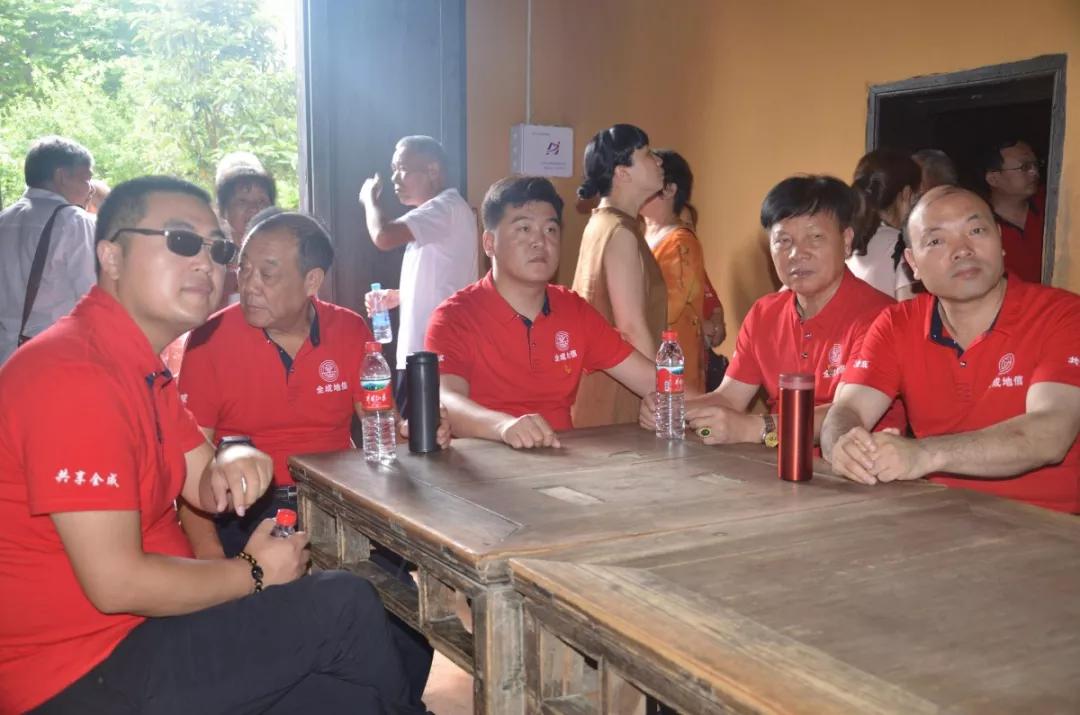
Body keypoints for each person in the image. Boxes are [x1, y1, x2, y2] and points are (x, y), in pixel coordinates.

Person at [0, 176, 428, 714]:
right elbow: (116, 584)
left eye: (217, 249)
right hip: (79, 670)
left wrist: (235, 453)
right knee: (344, 604)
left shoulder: (139, 367)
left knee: (351, 694)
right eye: (182, 241)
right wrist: (252, 573)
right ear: (111, 256)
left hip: (149, 633)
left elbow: (203, 480)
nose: (209, 263)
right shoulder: (74, 374)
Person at [175, 207, 444, 705]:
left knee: (409, 624)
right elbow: (190, 469)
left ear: (312, 281)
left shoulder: (349, 330)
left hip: (339, 501)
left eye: (268, 273)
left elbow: (380, 422)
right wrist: (212, 565)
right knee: (290, 635)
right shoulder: (210, 340)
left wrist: (419, 432)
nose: (248, 285)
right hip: (248, 510)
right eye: (243, 269)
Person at [822, 186, 1080, 513]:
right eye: (936, 241)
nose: (962, 250)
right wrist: (845, 446)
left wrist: (924, 454)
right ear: (912, 263)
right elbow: (847, 409)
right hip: (938, 515)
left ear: (1000, 241)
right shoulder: (896, 324)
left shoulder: (1062, 315)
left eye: (976, 231)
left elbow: (1051, 433)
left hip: (1051, 524)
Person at [659, 175, 904, 447]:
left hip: (859, 466)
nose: (797, 253)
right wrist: (671, 410)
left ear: (846, 241)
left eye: (815, 238)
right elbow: (730, 397)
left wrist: (755, 428)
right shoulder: (765, 313)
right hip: (777, 463)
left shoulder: (883, 318)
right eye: (783, 241)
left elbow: (847, 415)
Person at [426, 176, 657, 448]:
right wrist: (503, 426)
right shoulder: (454, 317)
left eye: (550, 230)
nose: (540, 241)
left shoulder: (573, 310)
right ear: (489, 243)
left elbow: (652, 380)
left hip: (563, 458)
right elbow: (447, 400)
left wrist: (687, 404)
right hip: (482, 461)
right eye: (524, 229)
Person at [359, 135, 478, 412]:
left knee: (422, 432)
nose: (394, 178)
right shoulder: (434, 215)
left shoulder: (444, 207)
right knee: (414, 431)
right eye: (393, 170)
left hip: (433, 355)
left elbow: (383, 235)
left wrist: (369, 200)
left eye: (402, 169)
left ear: (432, 170)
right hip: (421, 353)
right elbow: (445, 277)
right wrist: (399, 296)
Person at [571, 124, 666, 427]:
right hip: (621, 394)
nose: (658, 161)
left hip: (605, 385)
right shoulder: (620, 232)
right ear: (622, 172)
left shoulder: (602, 223)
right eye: (647, 154)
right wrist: (662, 397)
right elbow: (631, 329)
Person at [0, 136, 96, 365]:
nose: (90, 188)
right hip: (51, 358)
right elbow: (93, 297)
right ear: (61, 176)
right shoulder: (75, 222)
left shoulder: (5, 219)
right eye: (86, 179)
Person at [641, 149, 710, 392]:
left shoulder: (681, 242)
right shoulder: (644, 236)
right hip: (648, 363)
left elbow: (667, 309)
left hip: (674, 372)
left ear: (670, 189)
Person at [848, 148, 921, 300]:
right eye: (918, 195)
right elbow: (910, 310)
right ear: (907, 193)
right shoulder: (903, 247)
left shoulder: (843, 239)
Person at [214, 152, 277, 307]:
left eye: (262, 201)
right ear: (223, 210)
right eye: (242, 201)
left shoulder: (287, 259)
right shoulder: (212, 262)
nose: (254, 208)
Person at [981, 138, 1045, 283]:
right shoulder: (981, 226)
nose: (1034, 172)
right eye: (1025, 167)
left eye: (1036, 164)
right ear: (993, 179)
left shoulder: (1051, 204)